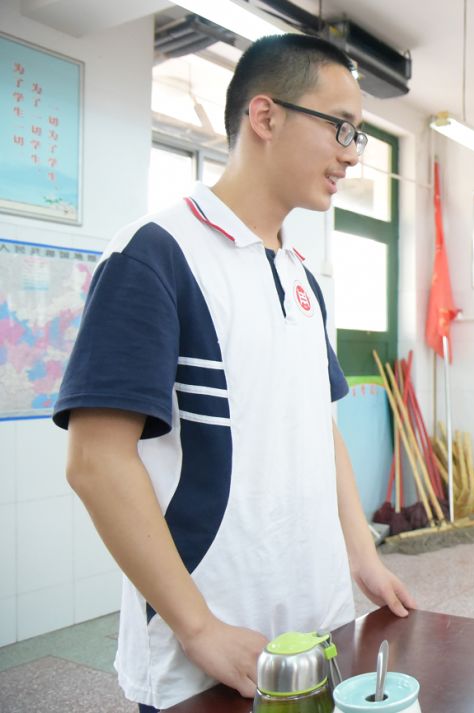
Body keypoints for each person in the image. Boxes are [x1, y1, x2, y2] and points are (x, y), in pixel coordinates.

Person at [53, 34, 415, 712]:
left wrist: (361, 553)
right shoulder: (155, 255)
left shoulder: (303, 277)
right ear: (266, 116)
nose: (351, 152)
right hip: (212, 647)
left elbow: (320, 426)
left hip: (318, 624)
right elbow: (96, 463)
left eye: (360, 135)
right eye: (341, 127)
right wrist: (198, 626)